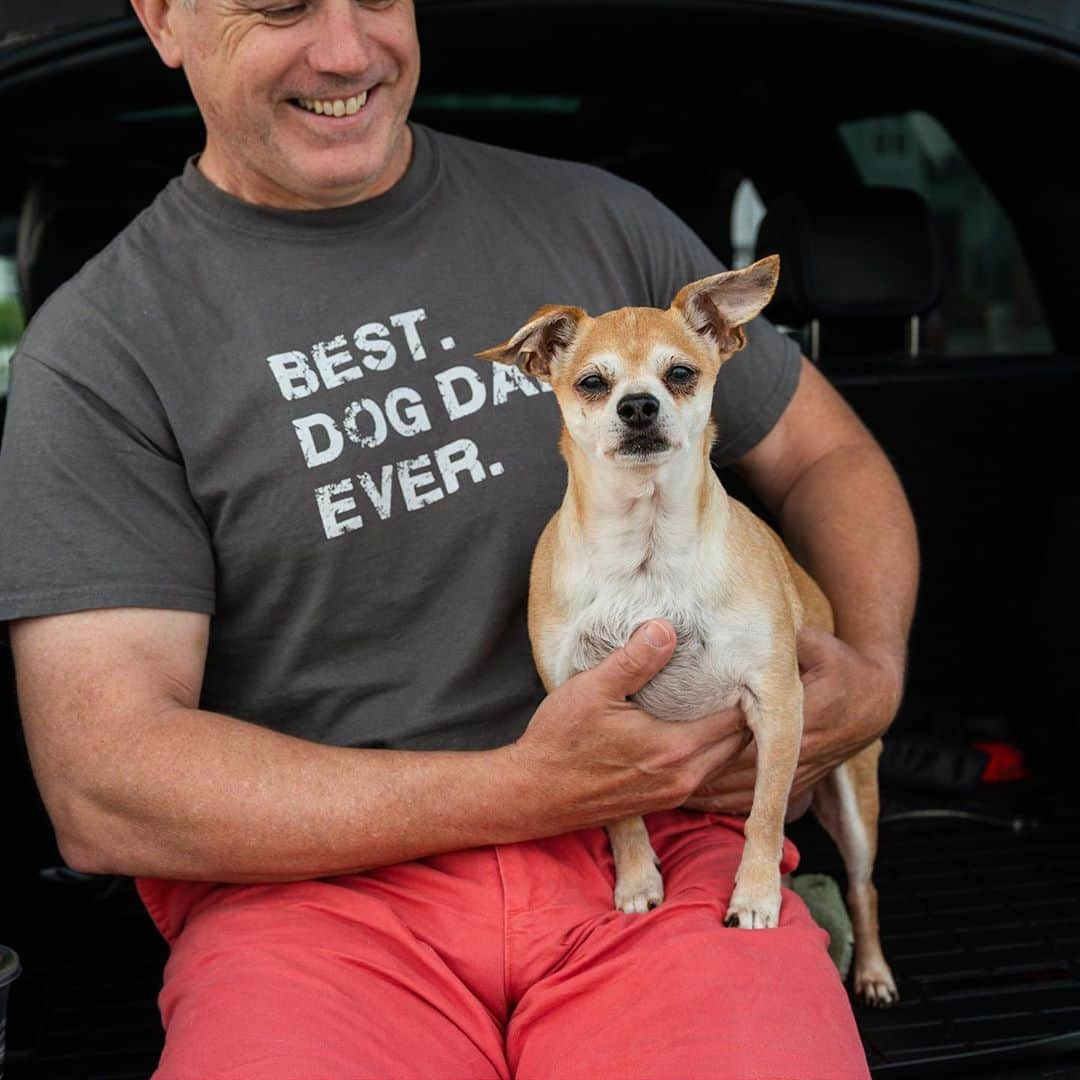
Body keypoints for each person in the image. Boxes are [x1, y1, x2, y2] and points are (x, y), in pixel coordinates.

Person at [0, 1, 917, 1076]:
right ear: (162, 15)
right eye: (282, 6)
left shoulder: (603, 223)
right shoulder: (102, 348)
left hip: (671, 854)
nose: (347, 50)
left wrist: (878, 675)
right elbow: (105, 783)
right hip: (316, 904)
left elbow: (827, 460)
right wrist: (520, 791)